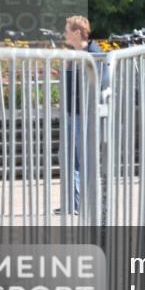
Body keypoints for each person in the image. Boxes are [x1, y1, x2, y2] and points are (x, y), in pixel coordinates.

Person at [57, 15, 103, 216]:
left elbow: (100, 82)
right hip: (72, 112)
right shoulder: (76, 53)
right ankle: (72, 202)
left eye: (67, 30)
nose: (65, 33)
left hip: (83, 113)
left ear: (77, 32)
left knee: (80, 157)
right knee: (68, 157)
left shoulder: (93, 53)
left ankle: (82, 202)